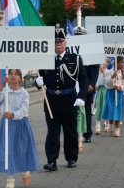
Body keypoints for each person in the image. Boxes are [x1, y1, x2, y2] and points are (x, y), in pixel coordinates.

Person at [35, 24, 88, 171]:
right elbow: (40, 78)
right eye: (55, 42)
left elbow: (83, 79)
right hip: (51, 101)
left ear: (66, 43)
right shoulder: (44, 59)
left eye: (60, 42)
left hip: (69, 100)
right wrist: (37, 83)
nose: (58, 45)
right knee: (52, 132)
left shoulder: (75, 59)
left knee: (70, 131)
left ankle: (71, 158)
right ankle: (51, 161)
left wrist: (82, 97)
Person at [0, 69, 39, 188]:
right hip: (7, 124)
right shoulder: (5, 91)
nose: (13, 76)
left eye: (16, 74)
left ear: (20, 78)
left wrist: (13, 115)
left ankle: (25, 171)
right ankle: (10, 180)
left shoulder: (24, 93)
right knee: (8, 151)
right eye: (10, 73)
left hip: (20, 124)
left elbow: (24, 109)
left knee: (21, 149)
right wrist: (2, 85)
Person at [102, 56, 124, 137]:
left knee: (118, 111)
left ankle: (117, 129)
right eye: (122, 62)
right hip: (111, 93)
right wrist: (112, 77)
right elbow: (106, 84)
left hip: (119, 94)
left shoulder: (123, 74)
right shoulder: (109, 72)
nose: (123, 64)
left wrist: (120, 87)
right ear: (117, 63)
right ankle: (111, 127)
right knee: (111, 110)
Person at [94, 58, 111, 135]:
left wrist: (103, 72)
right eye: (101, 63)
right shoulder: (97, 72)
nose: (102, 65)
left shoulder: (108, 72)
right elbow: (95, 81)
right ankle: (97, 126)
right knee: (99, 108)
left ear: (107, 64)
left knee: (106, 107)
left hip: (106, 90)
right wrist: (96, 85)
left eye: (104, 63)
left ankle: (107, 125)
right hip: (99, 91)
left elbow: (108, 82)